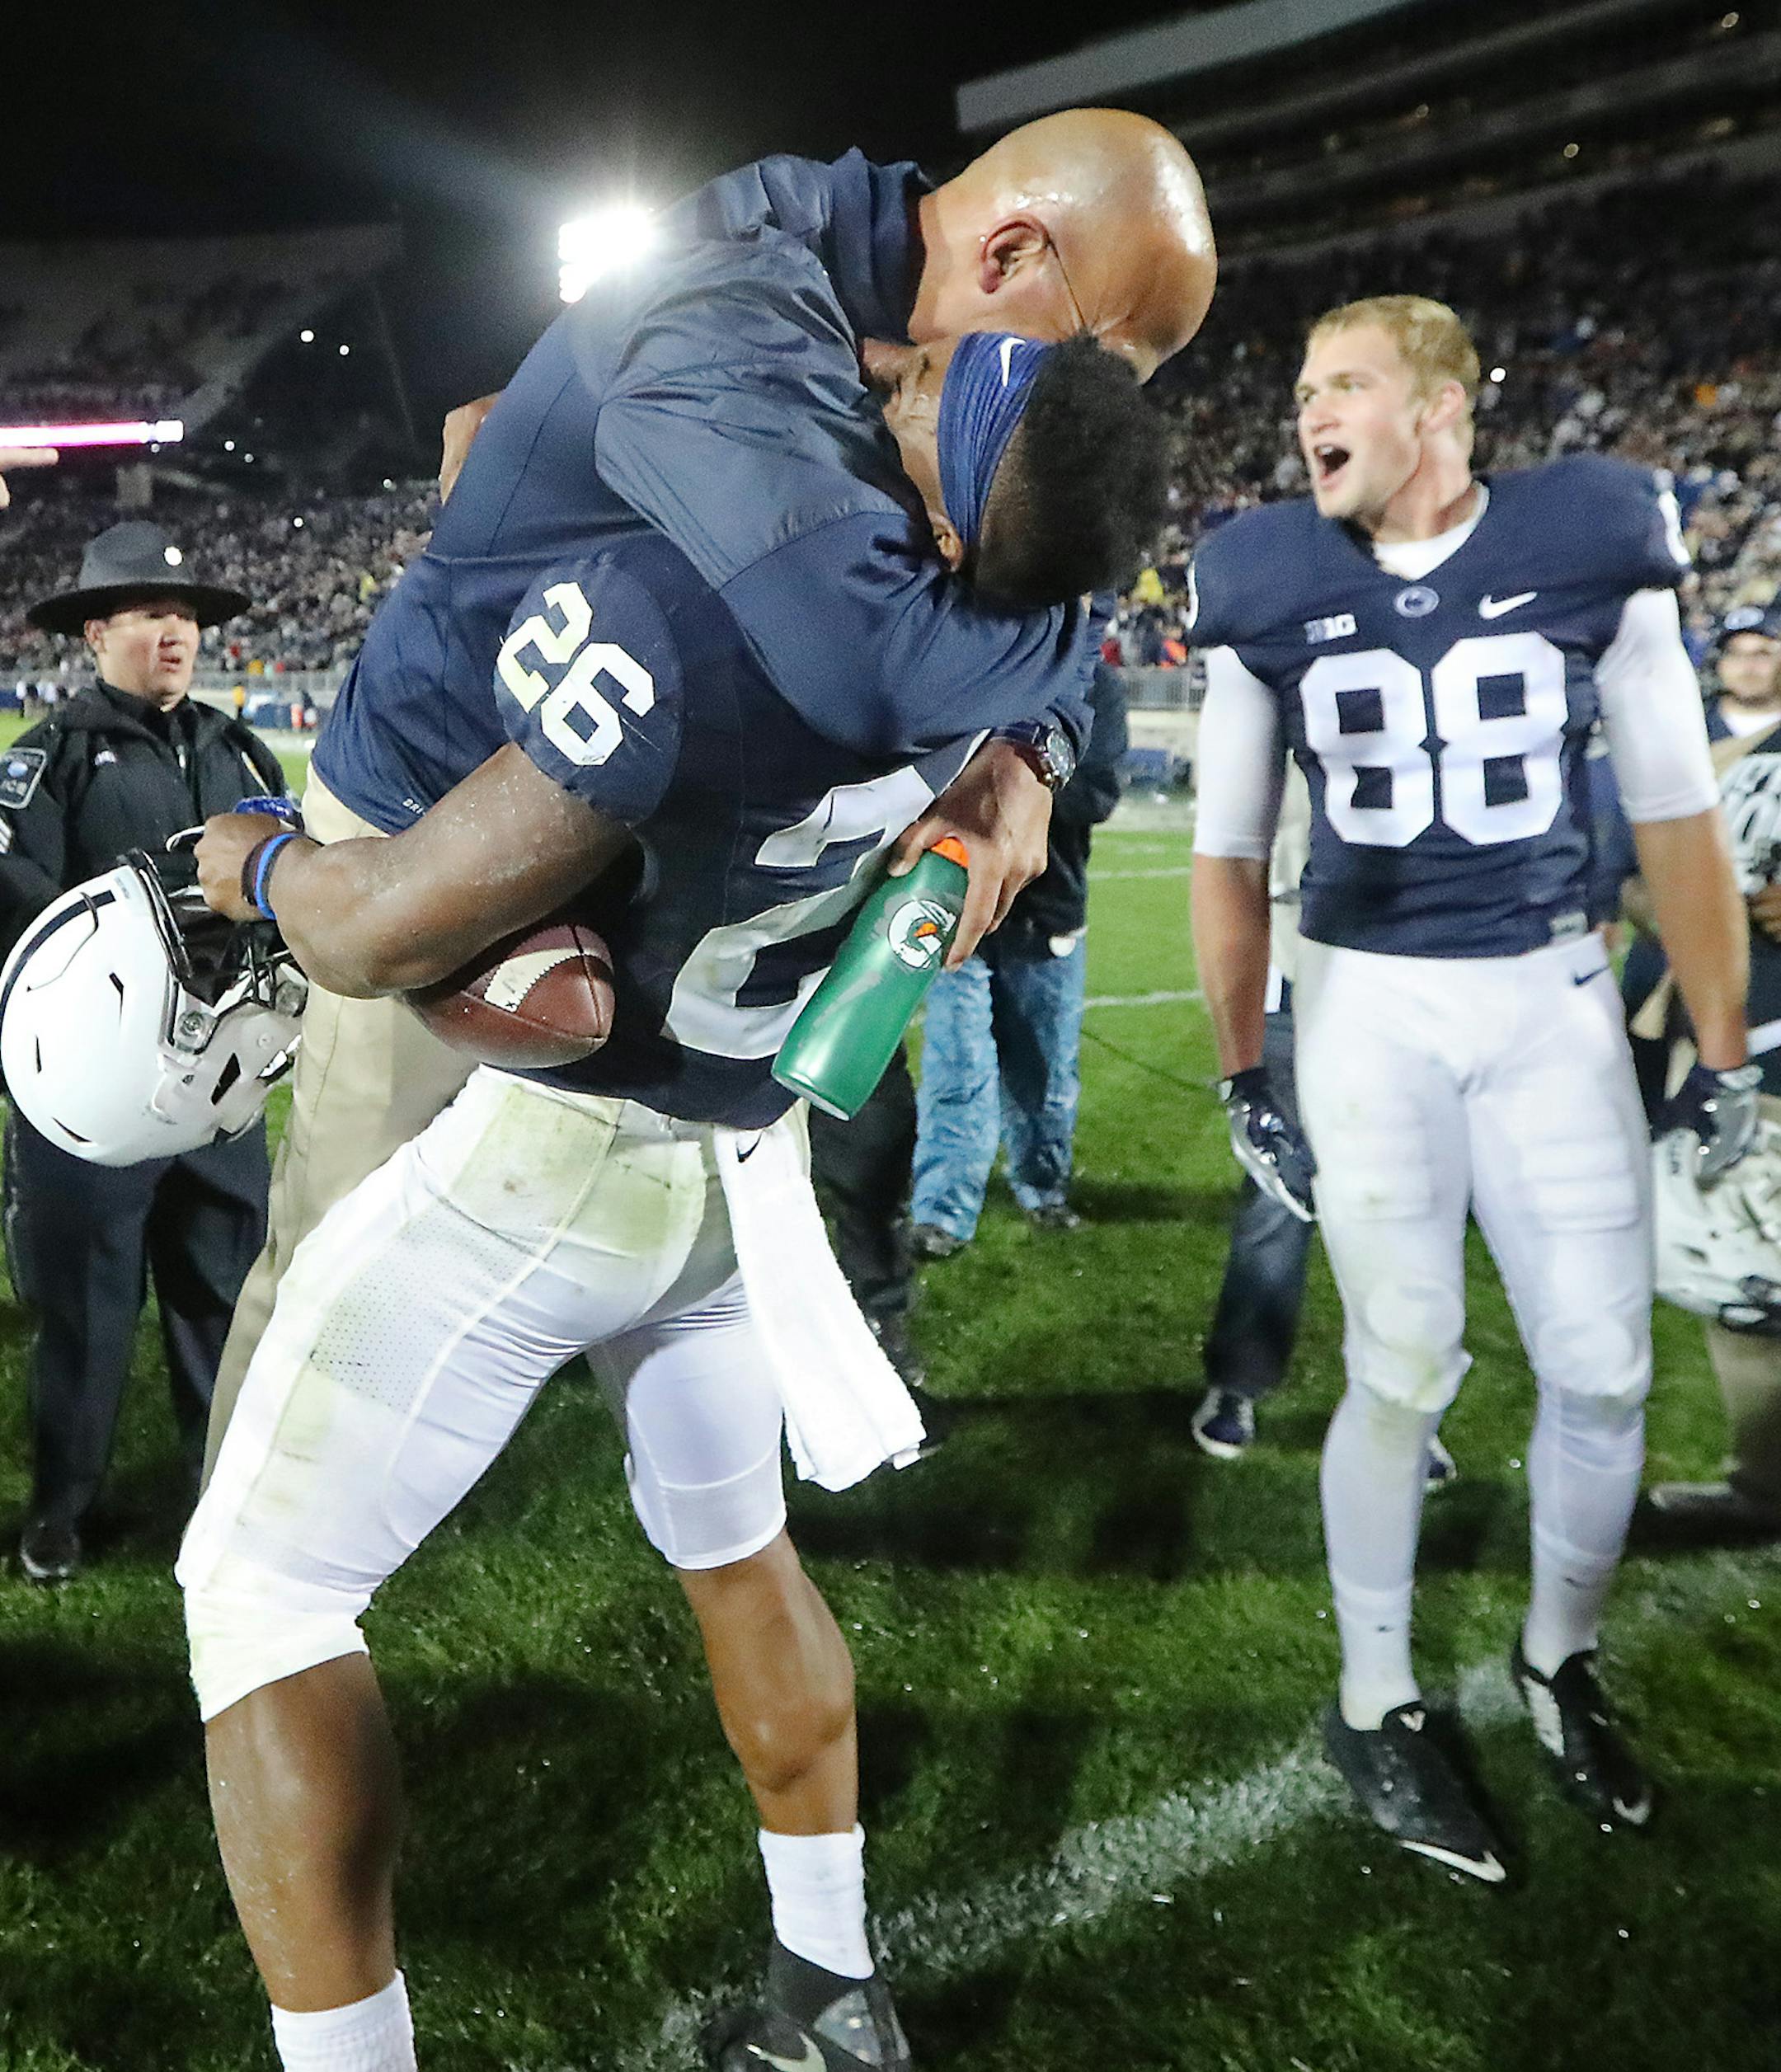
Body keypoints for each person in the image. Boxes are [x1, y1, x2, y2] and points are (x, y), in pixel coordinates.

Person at [176, 331, 1165, 2072]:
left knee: (256, 1589)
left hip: (570, 1149)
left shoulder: (705, 609)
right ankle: (833, 1982)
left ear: (965, 475)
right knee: (738, 1551)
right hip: (741, 1173)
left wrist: (256, 855)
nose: (902, 369)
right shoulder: (1030, 636)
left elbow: (388, 921)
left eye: (944, 381)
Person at [199, 110, 1219, 1480]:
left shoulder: (948, 368)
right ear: (1014, 250)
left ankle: (698, 1508)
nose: (1104, 415)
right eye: (1104, 364)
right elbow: (863, 652)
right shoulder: (730, 281)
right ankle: (251, 1575)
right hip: (447, 804)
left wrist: (1025, 746)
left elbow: (1066, 522)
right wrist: (1023, 700)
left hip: (682, 866)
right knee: (337, 1261)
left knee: (687, 1315)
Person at [1189, 295, 1753, 1881]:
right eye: (1302, 388)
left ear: (1441, 409)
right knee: (1406, 1361)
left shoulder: (1592, 535)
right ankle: (1375, 1697)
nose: (1310, 412)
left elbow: (1674, 816)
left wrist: (1723, 1048)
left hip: (1553, 994)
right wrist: (1247, 1065)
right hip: (1367, 1002)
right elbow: (1231, 855)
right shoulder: (1266, 578)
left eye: (1344, 383)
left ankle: (1558, 1658)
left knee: (1606, 1367)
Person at [0, 520, 287, 1582]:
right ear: (94, 632)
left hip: (223, 1087)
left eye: (187, 616)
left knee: (224, 1297)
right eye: (149, 614)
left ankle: (224, 1499)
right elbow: (18, 916)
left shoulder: (237, 746)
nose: (175, 633)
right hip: (101, 1097)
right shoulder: (49, 756)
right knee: (85, 1314)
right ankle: (61, 1509)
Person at [1624, 600, 1781, 1536]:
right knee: (1742, 1274)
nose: (1751, 662)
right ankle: (1763, 1485)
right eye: (1741, 648)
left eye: (1769, 648)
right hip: (1737, 1044)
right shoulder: (1695, 752)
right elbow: (1635, 879)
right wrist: (1691, 908)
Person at [909, 663, 1126, 1253]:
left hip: (1047, 912)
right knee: (956, 1070)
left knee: (1044, 1076)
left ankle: (1042, 1188)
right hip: (961, 909)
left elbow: (1099, 790)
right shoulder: (974, 663)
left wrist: (1014, 782)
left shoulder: (1096, 686)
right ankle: (943, 1213)